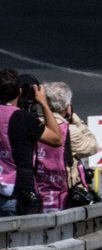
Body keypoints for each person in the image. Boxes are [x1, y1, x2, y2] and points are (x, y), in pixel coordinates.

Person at [1, 70, 62, 215]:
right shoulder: (23, 118)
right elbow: (56, 139)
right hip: (18, 192)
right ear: (20, 91)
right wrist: (44, 104)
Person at [36, 82, 96, 211]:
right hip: (63, 197)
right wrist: (75, 118)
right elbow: (93, 146)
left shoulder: (32, 124)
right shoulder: (69, 131)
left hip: (37, 193)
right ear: (67, 106)